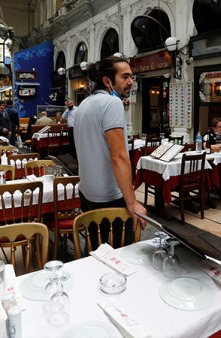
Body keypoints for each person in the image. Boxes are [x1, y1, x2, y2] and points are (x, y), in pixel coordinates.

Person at [75, 55, 147, 246]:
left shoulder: (83, 104)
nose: (131, 81)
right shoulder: (111, 103)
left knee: (95, 251)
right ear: (107, 81)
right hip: (110, 196)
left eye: (131, 76)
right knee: (122, 254)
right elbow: (119, 157)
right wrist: (131, 202)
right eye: (124, 77)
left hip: (87, 192)